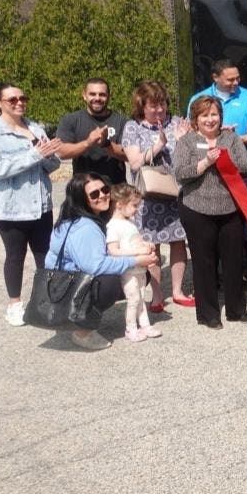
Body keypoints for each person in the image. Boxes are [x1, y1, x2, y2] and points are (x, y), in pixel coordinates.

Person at [45, 173, 157, 350]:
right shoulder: (85, 227)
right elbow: (96, 266)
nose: (103, 195)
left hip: (62, 283)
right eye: (94, 194)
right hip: (65, 289)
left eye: (104, 189)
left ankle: (83, 316)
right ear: (82, 199)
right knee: (111, 282)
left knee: (137, 274)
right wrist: (136, 259)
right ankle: (82, 331)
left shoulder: (84, 218)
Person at [173, 95, 247, 329]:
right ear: (195, 119)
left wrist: (225, 162)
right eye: (205, 115)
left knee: (233, 261)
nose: (210, 119)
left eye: (214, 114)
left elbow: (245, 167)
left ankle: (237, 310)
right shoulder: (187, 142)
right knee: (204, 262)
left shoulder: (231, 138)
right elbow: (181, 172)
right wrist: (206, 162)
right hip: (197, 208)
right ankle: (208, 314)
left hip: (230, 207)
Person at [0, 82, 62, 327]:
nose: (20, 103)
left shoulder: (34, 127)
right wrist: (35, 154)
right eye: (13, 100)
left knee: (44, 253)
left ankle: (46, 299)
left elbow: (52, 164)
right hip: (10, 207)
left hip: (40, 203)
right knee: (15, 255)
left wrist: (49, 155)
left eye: (23, 98)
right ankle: (15, 304)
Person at [188, 59, 247, 292]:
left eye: (237, 78)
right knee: (213, 227)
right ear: (215, 77)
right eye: (230, 79)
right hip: (210, 173)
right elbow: (193, 133)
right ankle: (216, 278)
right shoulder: (197, 100)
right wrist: (217, 139)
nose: (236, 83)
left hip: (242, 169)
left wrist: (229, 141)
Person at [121, 80, 193, 312]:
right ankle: (157, 295)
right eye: (153, 106)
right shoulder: (132, 127)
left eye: (161, 104)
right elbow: (134, 162)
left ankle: (178, 291)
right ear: (141, 106)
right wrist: (157, 147)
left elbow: (191, 153)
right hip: (149, 197)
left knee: (178, 241)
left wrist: (183, 141)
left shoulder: (178, 123)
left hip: (176, 192)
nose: (159, 110)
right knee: (151, 245)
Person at [106, 184, 162, 342]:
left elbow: (133, 241)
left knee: (141, 297)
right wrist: (138, 253)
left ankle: (145, 325)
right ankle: (130, 329)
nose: (137, 209)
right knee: (134, 299)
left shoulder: (129, 223)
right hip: (128, 270)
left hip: (139, 268)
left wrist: (146, 245)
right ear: (119, 204)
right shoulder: (112, 227)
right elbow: (113, 251)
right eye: (134, 205)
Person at [55, 77, 128, 184]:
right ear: (84, 95)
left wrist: (106, 144)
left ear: (109, 96)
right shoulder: (71, 119)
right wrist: (87, 143)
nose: (97, 98)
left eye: (102, 94)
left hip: (116, 189)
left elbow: (129, 155)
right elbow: (61, 152)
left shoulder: (122, 121)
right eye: (92, 94)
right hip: (82, 189)